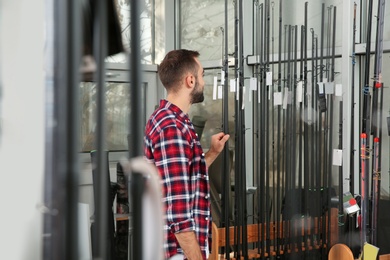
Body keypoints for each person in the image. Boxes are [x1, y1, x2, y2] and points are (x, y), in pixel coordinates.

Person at [144, 49, 230, 260]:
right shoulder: (172, 128)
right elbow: (179, 215)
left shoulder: (168, 119)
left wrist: (211, 153)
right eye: (201, 75)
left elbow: (183, 177)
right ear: (190, 80)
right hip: (178, 252)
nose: (203, 81)